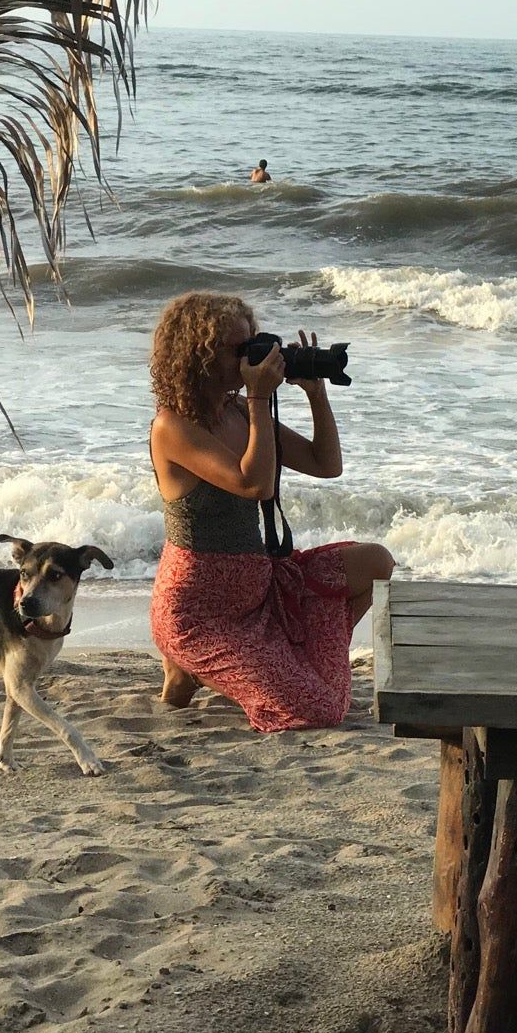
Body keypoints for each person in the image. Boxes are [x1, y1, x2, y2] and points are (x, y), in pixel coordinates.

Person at [148, 292, 395, 731]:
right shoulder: (174, 427)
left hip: (264, 592)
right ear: (201, 357)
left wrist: (316, 395)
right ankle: (189, 665)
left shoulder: (240, 410)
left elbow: (326, 464)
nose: (253, 358)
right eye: (238, 350)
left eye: (254, 344)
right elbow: (253, 483)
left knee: (376, 562)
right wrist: (261, 400)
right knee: (319, 709)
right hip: (202, 614)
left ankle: (284, 660)